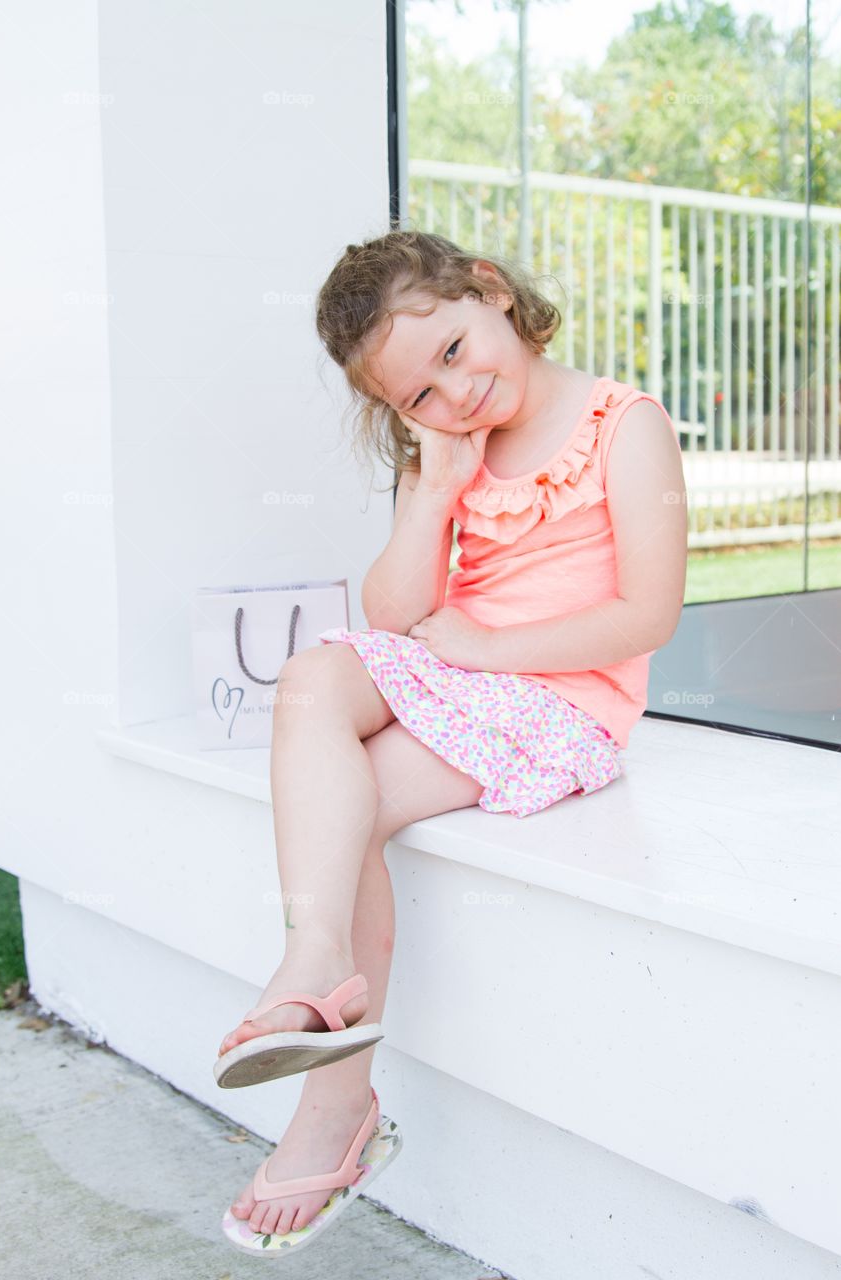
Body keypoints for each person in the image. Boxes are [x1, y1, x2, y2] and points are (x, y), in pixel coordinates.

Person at [216, 228, 688, 1255]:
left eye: (453, 350)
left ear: (490, 293)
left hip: (557, 697)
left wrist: (489, 642)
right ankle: (317, 951)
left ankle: (332, 1109)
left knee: (355, 813)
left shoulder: (622, 422)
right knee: (312, 678)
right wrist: (433, 488)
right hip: (454, 675)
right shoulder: (446, 452)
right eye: (417, 396)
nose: (453, 394)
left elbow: (646, 613)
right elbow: (390, 617)